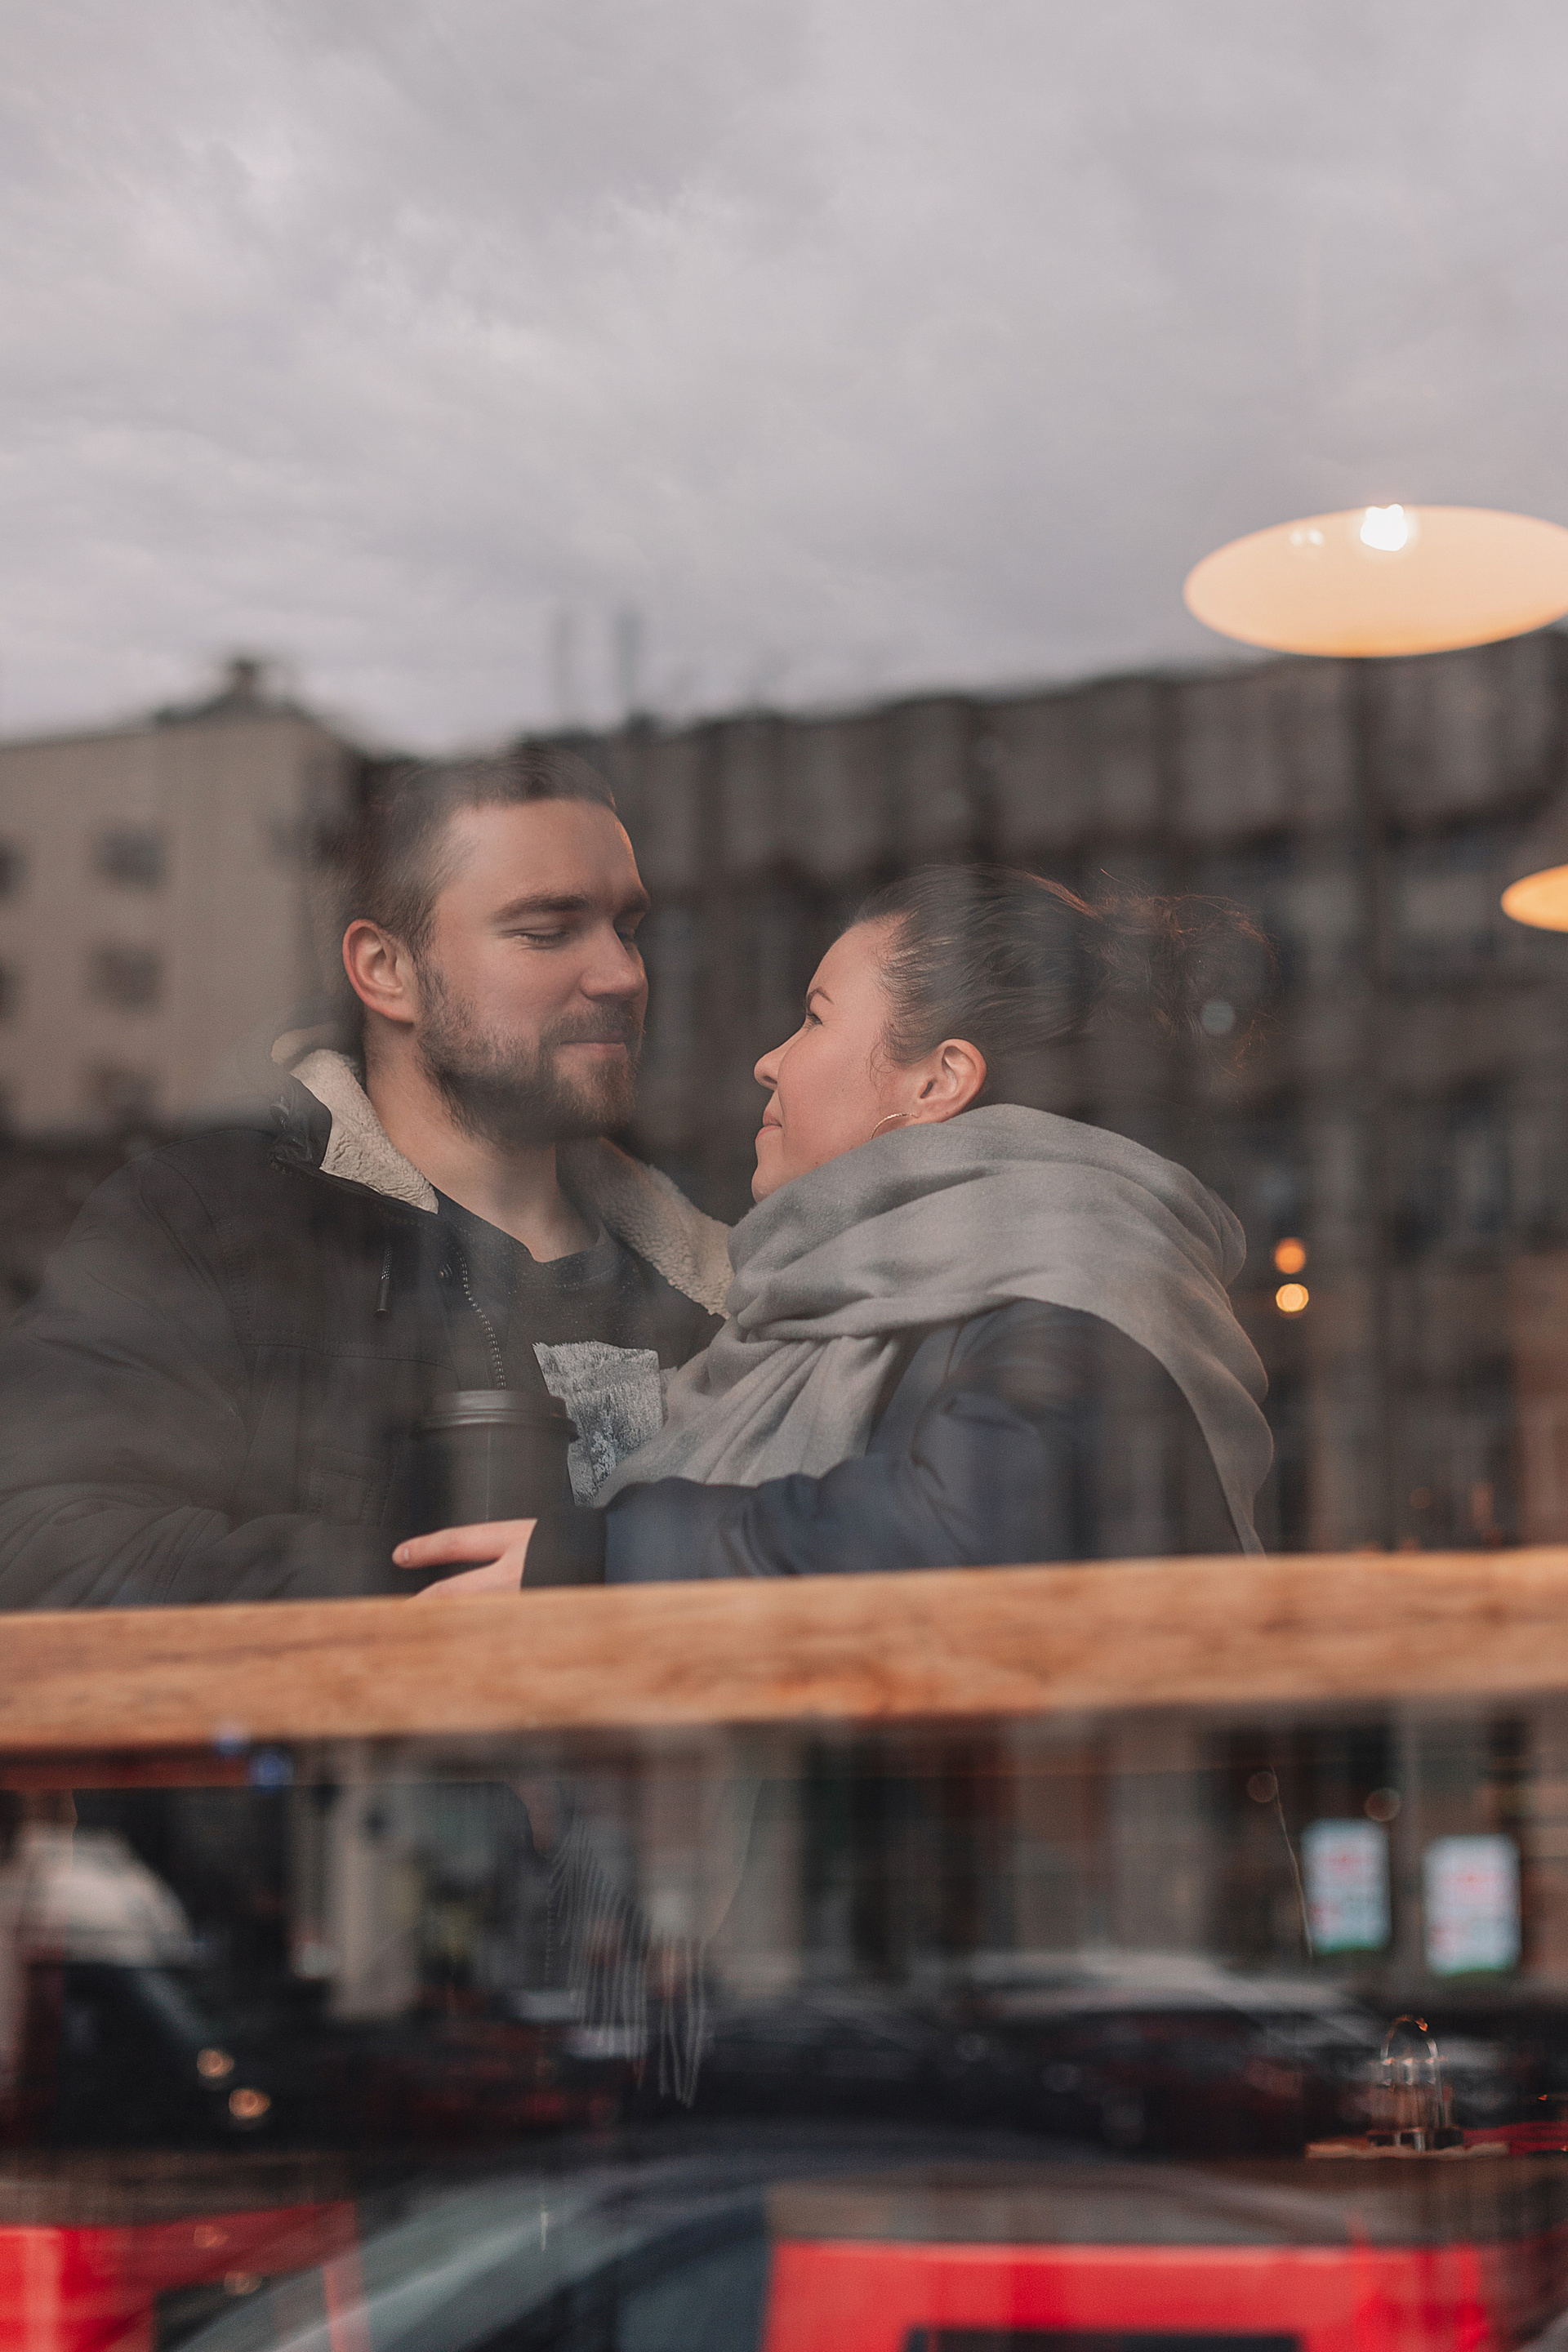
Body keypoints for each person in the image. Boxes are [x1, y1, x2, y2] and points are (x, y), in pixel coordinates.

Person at [397, 864, 1276, 1597]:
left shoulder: (1084, 1275)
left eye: (815, 1017)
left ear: (937, 1083)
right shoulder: (820, 1312)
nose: (769, 1062)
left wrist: (607, 1560)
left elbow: (970, 1543)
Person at [0, 748, 728, 1607]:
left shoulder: (731, 1283)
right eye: (545, 931)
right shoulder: (207, 1227)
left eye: (628, 929)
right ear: (386, 971)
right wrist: (429, 1586)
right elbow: (43, 1549)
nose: (622, 975)